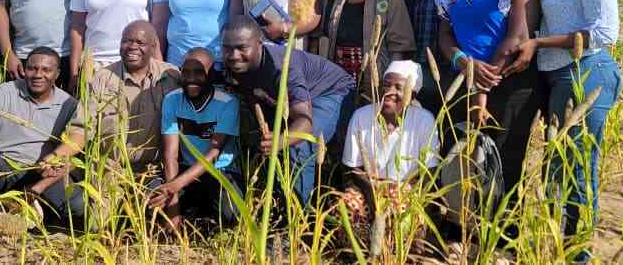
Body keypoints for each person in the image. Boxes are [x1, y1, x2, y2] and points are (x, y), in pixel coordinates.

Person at [505, 0, 622, 264]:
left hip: (583, 74)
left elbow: (605, 32)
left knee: (576, 172)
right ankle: (561, 249)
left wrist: (537, 43)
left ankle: (578, 256)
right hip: (560, 77)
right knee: (559, 169)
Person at [435, 0, 547, 211]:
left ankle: (502, 242)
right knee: (462, 159)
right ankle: (462, 231)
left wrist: (483, 82)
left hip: (507, 84)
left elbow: (517, 37)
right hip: (463, 81)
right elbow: (445, 33)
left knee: (502, 163)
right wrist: (462, 62)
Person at [222, 17, 356, 206]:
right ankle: (279, 200)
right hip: (283, 100)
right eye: (227, 48)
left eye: (242, 48)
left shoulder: (283, 67)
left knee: (297, 145)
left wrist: (281, 139)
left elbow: (305, 123)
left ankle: (300, 216)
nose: (234, 55)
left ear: (259, 43)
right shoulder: (234, 66)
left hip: (330, 92)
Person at [0, 46, 86, 226]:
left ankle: (33, 200)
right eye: (32, 68)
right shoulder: (5, 91)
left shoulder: (69, 104)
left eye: (46, 70)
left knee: (78, 206)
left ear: (57, 74)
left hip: (40, 171)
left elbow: (78, 140)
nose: (38, 74)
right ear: (25, 69)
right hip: (1, 167)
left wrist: (53, 161)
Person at [311, 0, 415, 103]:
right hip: (333, 84)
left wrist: (388, 88)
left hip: (373, 86)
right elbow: (317, 38)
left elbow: (399, 50)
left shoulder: (391, 0)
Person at [149, 47, 242, 229]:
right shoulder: (172, 100)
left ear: (211, 74)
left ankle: (201, 216)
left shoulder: (227, 103)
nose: (191, 78)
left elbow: (214, 153)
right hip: (185, 171)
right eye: (186, 72)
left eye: (199, 72)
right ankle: (185, 216)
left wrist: (174, 187)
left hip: (220, 172)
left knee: (229, 214)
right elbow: (170, 155)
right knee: (151, 198)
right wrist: (172, 210)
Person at [342, 61, 439, 220]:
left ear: (412, 95)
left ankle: (397, 245)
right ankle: (359, 245)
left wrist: (406, 193)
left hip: (407, 186)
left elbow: (429, 172)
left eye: (398, 88)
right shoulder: (361, 116)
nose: (389, 92)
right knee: (348, 205)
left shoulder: (424, 121)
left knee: (400, 211)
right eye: (386, 85)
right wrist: (373, 192)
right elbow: (351, 167)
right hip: (367, 184)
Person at [88, 21, 180, 172]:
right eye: (126, 41)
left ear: (153, 46)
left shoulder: (170, 76)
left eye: (140, 42)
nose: (132, 47)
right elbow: (82, 128)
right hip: (109, 171)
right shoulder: (102, 78)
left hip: (153, 171)